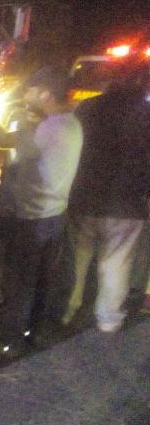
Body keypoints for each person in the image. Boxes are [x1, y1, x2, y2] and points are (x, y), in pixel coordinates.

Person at [0, 66, 83, 354]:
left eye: (30, 90)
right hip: (56, 214)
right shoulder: (71, 124)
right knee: (43, 279)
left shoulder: (49, 128)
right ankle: (34, 331)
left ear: (45, 94)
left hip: (34, 216)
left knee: (20, 281)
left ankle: (7, 341)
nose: (25, 95)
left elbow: (3, 140)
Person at [61, 59, 150, 332]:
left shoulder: (88, 109)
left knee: (79, 255)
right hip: (127, 203)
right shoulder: (146, 114)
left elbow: (71, 147)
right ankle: (108, 319)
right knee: (116, 262)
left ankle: (67, 308)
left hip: (84, 196)